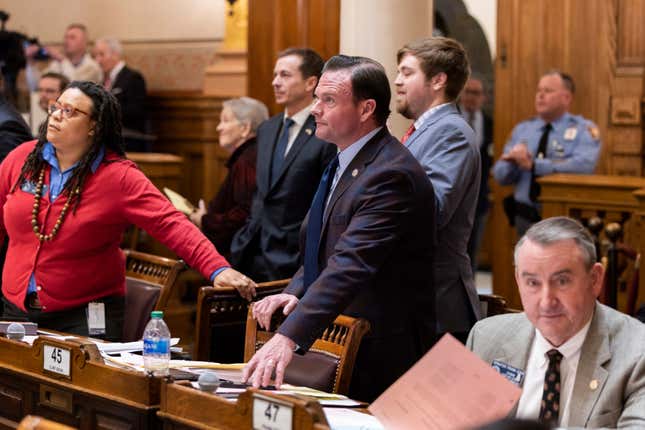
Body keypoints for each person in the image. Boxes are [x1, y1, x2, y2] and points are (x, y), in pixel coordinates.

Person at [242, 55, 437, 403]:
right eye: (317, 98)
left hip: (380, 349)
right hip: (344, 336)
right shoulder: (345, 159)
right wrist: (296, 290)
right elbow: (324, 244)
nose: (315, 109)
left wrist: (287, 336)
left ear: (366, 109)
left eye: (328, 100)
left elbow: (350, 263)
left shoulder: (390, 174)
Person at [0, 81, 257, 340]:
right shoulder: (22, 158)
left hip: (83, 315)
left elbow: (171, 224)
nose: (56, 115)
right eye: (57, 107)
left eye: (70, 111)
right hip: (15, 307)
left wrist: (217, 269)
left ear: (94, 126)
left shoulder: (118, 176)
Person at [467, 217, 645, 428]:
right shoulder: (486, 337)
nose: (546, 301)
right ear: (518, 280)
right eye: (532, 282)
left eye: (562, 281)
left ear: (595, 279)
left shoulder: (637, 351)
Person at [394, 36, 481, 343]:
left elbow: (432, 211)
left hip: (436, 302)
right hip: (415, 300)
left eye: (406, 73)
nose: (397, 81)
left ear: (438, 80)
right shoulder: (425, 130)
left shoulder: (450, 132)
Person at [230, 48, 336, 282]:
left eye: (285, 75)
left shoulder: (326, 130)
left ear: (311, 83)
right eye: (275, 75)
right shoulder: (268, 128)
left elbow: (325, 201)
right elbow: (262, 194)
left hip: (293, 259)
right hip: (251, 251)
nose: (275, 82)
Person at [493, 71, 601, 236]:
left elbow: (584, 165)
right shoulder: (523, 129)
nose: (540, 96)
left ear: (566, 98)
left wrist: (535, 165)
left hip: (563, 219)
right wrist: (512, 162)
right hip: (525, 217)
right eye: (538, 90)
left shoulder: (582, 129)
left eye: (548, 91)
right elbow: (499, 175)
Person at [189, 97, 268, 258]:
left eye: (225, 121)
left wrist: (205, 220)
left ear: (245, 128)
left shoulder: (247, 160)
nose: (218, 127)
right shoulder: (250, 155)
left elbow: (244, 214)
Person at [460, 76, 493, 273]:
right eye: (468, 92)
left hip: (480, 197)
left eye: (476, 93)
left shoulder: (490, 123)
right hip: (455, 194)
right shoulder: (451, 119)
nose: (472, 97)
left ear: (484, 97)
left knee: (473, 251)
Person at [93, 37, 148, 151]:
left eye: (101, 55)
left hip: (129, 140)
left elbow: (135, 111)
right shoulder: (102, 80)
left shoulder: (133, 77)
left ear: (115, 55)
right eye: (95, 56)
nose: (97, 60)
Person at [25, 24, 102, 91]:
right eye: (66, 37)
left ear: (84, 42)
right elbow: (35, 86)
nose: (66, 41)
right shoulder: (57, 64)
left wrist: (62, 59)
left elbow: (75, 88)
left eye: (72, 37)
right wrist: (31, 63)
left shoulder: (92, 67)